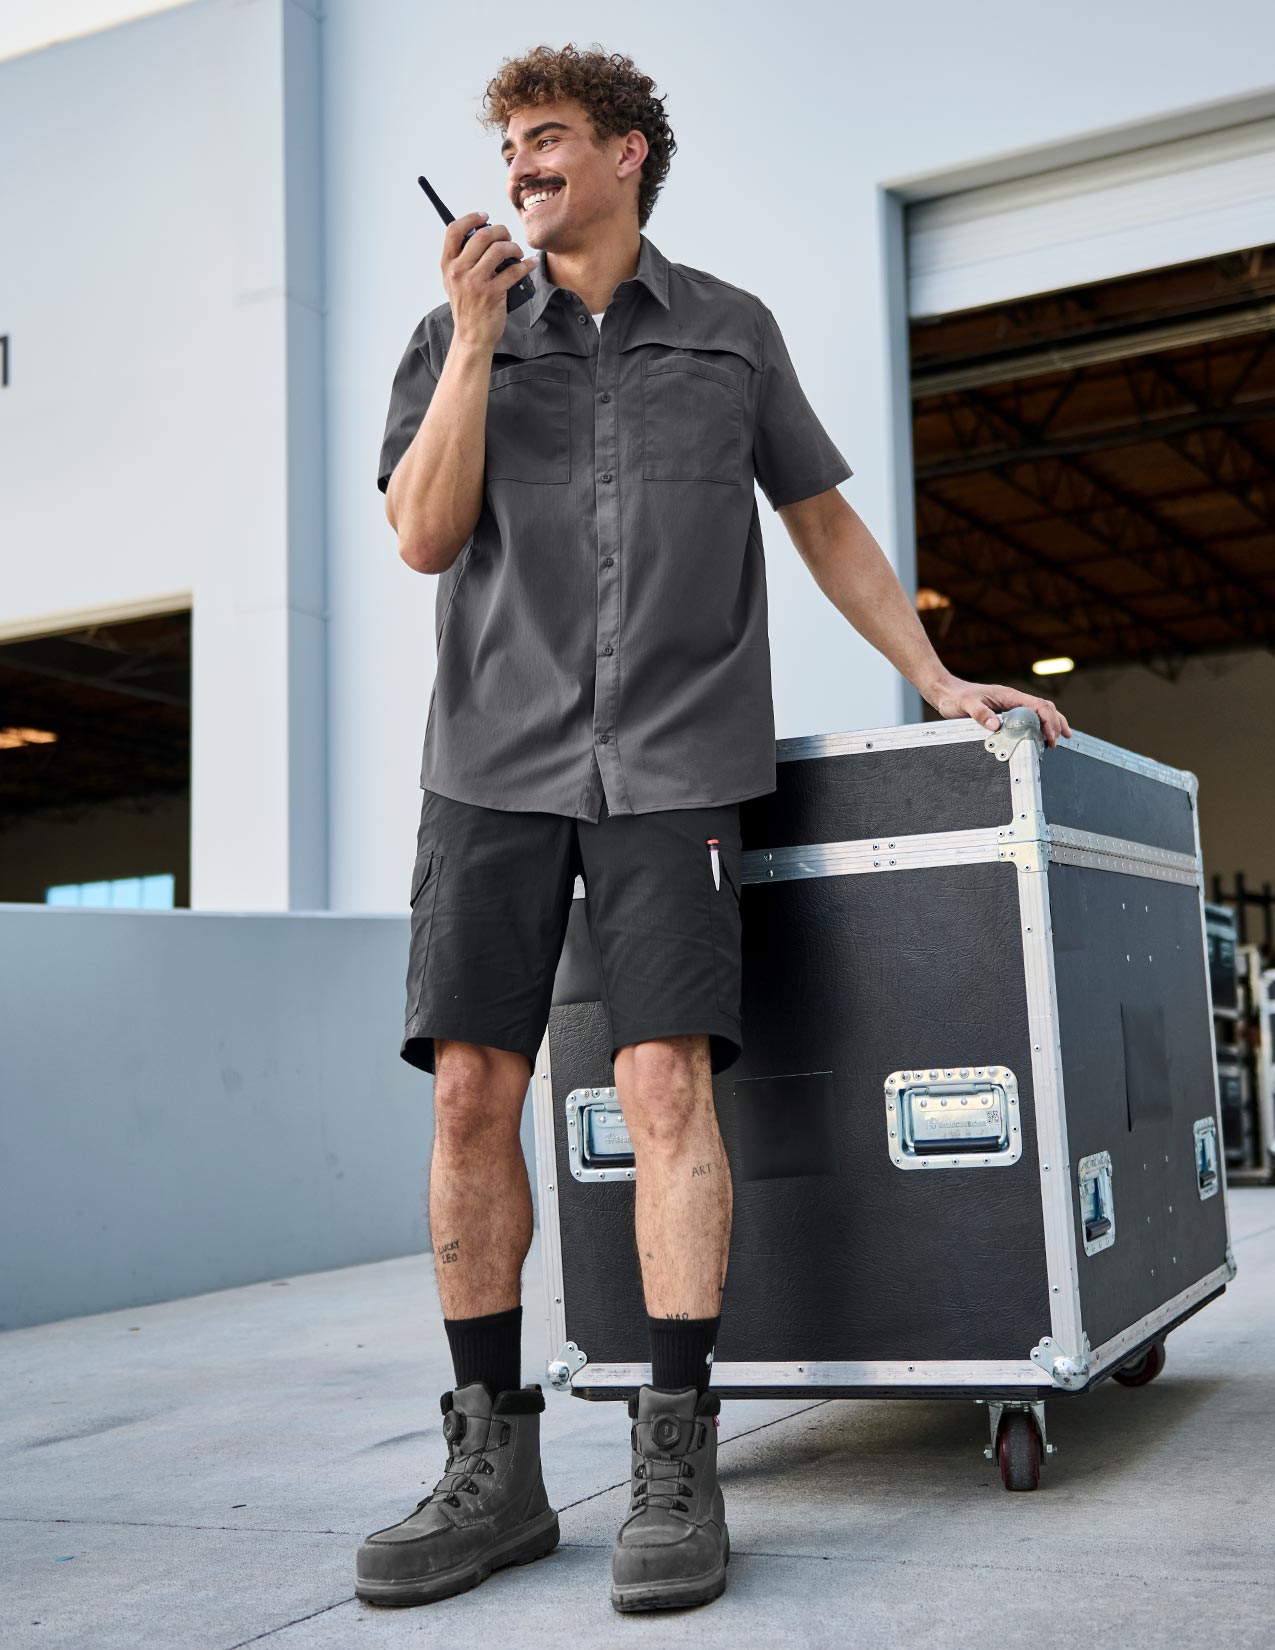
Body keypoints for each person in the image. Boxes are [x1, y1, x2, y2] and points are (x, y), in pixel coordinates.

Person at [356, 43, 1072, 1616]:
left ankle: (675, 1453)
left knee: (663, 1077)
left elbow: (821, 516)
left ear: (625, 155)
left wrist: (935, 676)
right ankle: (494, 1463)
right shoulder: (452, 329)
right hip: (490, 766)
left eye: (550, 138)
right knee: (476, 1093)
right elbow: (420, 533)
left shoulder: (732, 335)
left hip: (675, 766)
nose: (522, 163)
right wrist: (476, 341)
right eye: (507, 143)